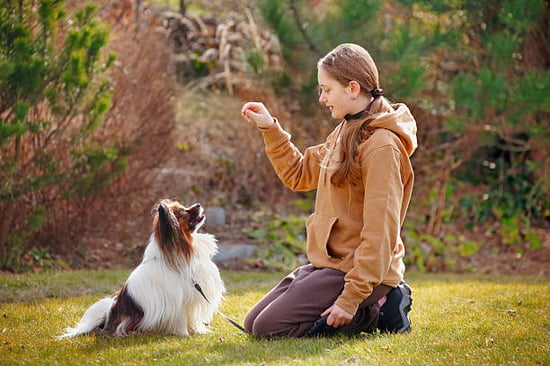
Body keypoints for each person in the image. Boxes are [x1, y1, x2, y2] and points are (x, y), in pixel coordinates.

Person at [240, 43, 417, 338]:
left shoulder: (382, 146)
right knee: (253, 322)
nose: (321, 98)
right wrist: (269, 128)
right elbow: (298, 174)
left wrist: (350, 300)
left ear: (352, 88)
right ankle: (374, 302)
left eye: (326, 89)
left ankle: (384, 306)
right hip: (332, 264)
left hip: (360, 273)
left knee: (268, 329)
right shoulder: (347, 130)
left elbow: (381, 232)